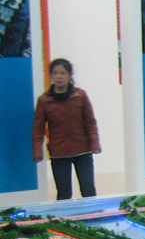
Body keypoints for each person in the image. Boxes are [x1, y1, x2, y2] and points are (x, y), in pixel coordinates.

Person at [33, 58, 101, 200]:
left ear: (70, 75)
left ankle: (93, 212)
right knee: (63, 192)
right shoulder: (44, 100)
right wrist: (37, 151)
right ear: (50, 76)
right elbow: (38, 129)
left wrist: (95, 143)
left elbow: (90, 122)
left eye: (62, 73)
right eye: (55, 73)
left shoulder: (80, 96)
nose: (59, 76)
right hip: (59, 153)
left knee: (88, 188)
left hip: (83, 150)